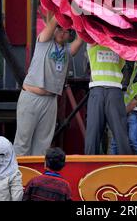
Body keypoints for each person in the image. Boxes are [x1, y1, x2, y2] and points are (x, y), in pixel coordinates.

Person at [14, 13, 84, 156]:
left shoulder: (66, 50)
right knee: (23, 142)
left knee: (43, 144)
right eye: (60, 29)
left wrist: (83, 18)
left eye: (66, 31)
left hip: (51, 99)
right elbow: (53, 22)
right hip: (31, 96)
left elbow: (79, 40)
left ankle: (37, 177)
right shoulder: (44, 41)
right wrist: (65, 3)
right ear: (55, 30)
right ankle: (18, 176)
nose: (62, 32)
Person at [84, 42, 132, 155]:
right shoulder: (120, 45)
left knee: (94, 132)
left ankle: (89, 165)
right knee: (119, 132)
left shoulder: (94, 43)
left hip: (100, 91)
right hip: (111, 91)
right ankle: (127, 165)